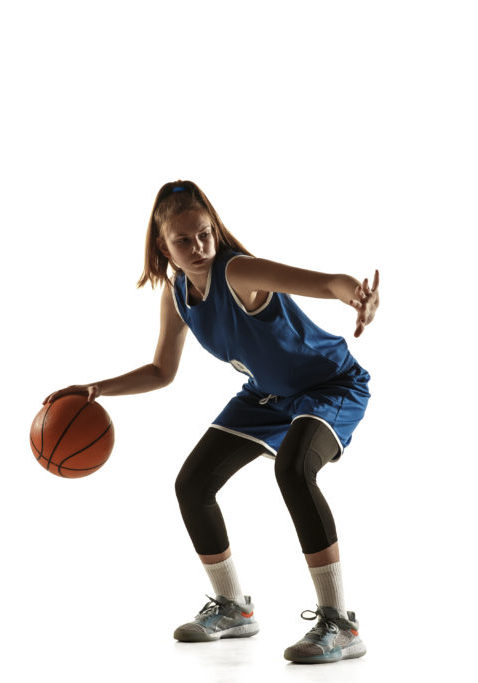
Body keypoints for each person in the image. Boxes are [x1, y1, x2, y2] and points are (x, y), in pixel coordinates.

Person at [43, 179, 380, 664]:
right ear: (164, 246)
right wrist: (97, 389)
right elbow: (162, 371)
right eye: (183, 240)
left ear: (214, 230)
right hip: (267, 395)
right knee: (193, 484)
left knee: (292, 470)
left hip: (331, 386)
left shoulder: (239, 272)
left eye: (204, 234)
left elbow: (328, 283)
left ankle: (339, 623)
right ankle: (234, 610)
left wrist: (358, 298)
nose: (198, 247)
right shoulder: (177, 295)